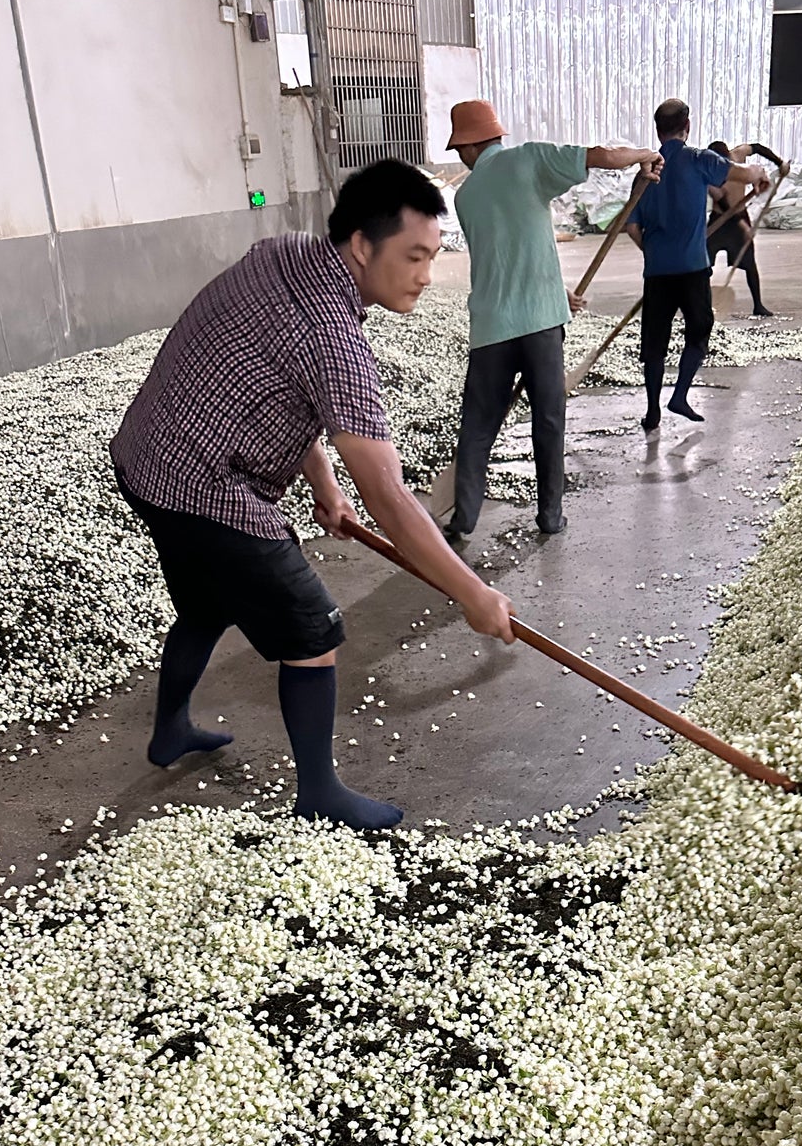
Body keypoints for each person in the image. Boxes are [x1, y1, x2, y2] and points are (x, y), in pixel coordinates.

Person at [110, 158, 514, 830]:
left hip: (145, 457)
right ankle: (320, 794)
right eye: (413, 256)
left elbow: (267, 378)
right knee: (311, 627)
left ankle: (171, 729)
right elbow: (387, 495)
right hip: (204, 484)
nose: (425, 275)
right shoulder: (335, 341)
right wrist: (472, 593)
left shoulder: (284, 252)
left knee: (206, 605)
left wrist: (323, 482)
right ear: (361, 243)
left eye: (434, 256)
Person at [444, 99, 661, 539]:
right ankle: (549, 517)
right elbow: (602, 156)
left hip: (490, 328)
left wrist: (556, 291)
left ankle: (462, 519)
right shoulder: (528, 159)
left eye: (459, 149)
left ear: (468, 145)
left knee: (479, 425)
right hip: (541, 324)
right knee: (548, 421)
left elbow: (500, 259)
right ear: (496, 135)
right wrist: (644, 155)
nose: (460, 158)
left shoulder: (465, 196)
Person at [626, 99, 765, 431]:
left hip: (658, 272)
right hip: (692, 268)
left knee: (654, 344)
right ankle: (680, 395)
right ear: (687, 127)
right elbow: (745, 173)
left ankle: (652, 411)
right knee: (699, 332)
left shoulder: (646, 174)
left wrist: (652, 252)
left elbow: (631, 226)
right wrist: (763, 174)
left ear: (659, 131)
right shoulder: (700, 159)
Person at [706, 140, 788, 317]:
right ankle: (700, 304)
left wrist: (779, 163)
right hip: (719, 219)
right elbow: (722, 200)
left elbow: (757, 148)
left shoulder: (738, 155)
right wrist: (741, 224)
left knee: (749, 264)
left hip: (740, 214)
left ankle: (758, 305)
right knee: (702, 264)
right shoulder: (708, 169)